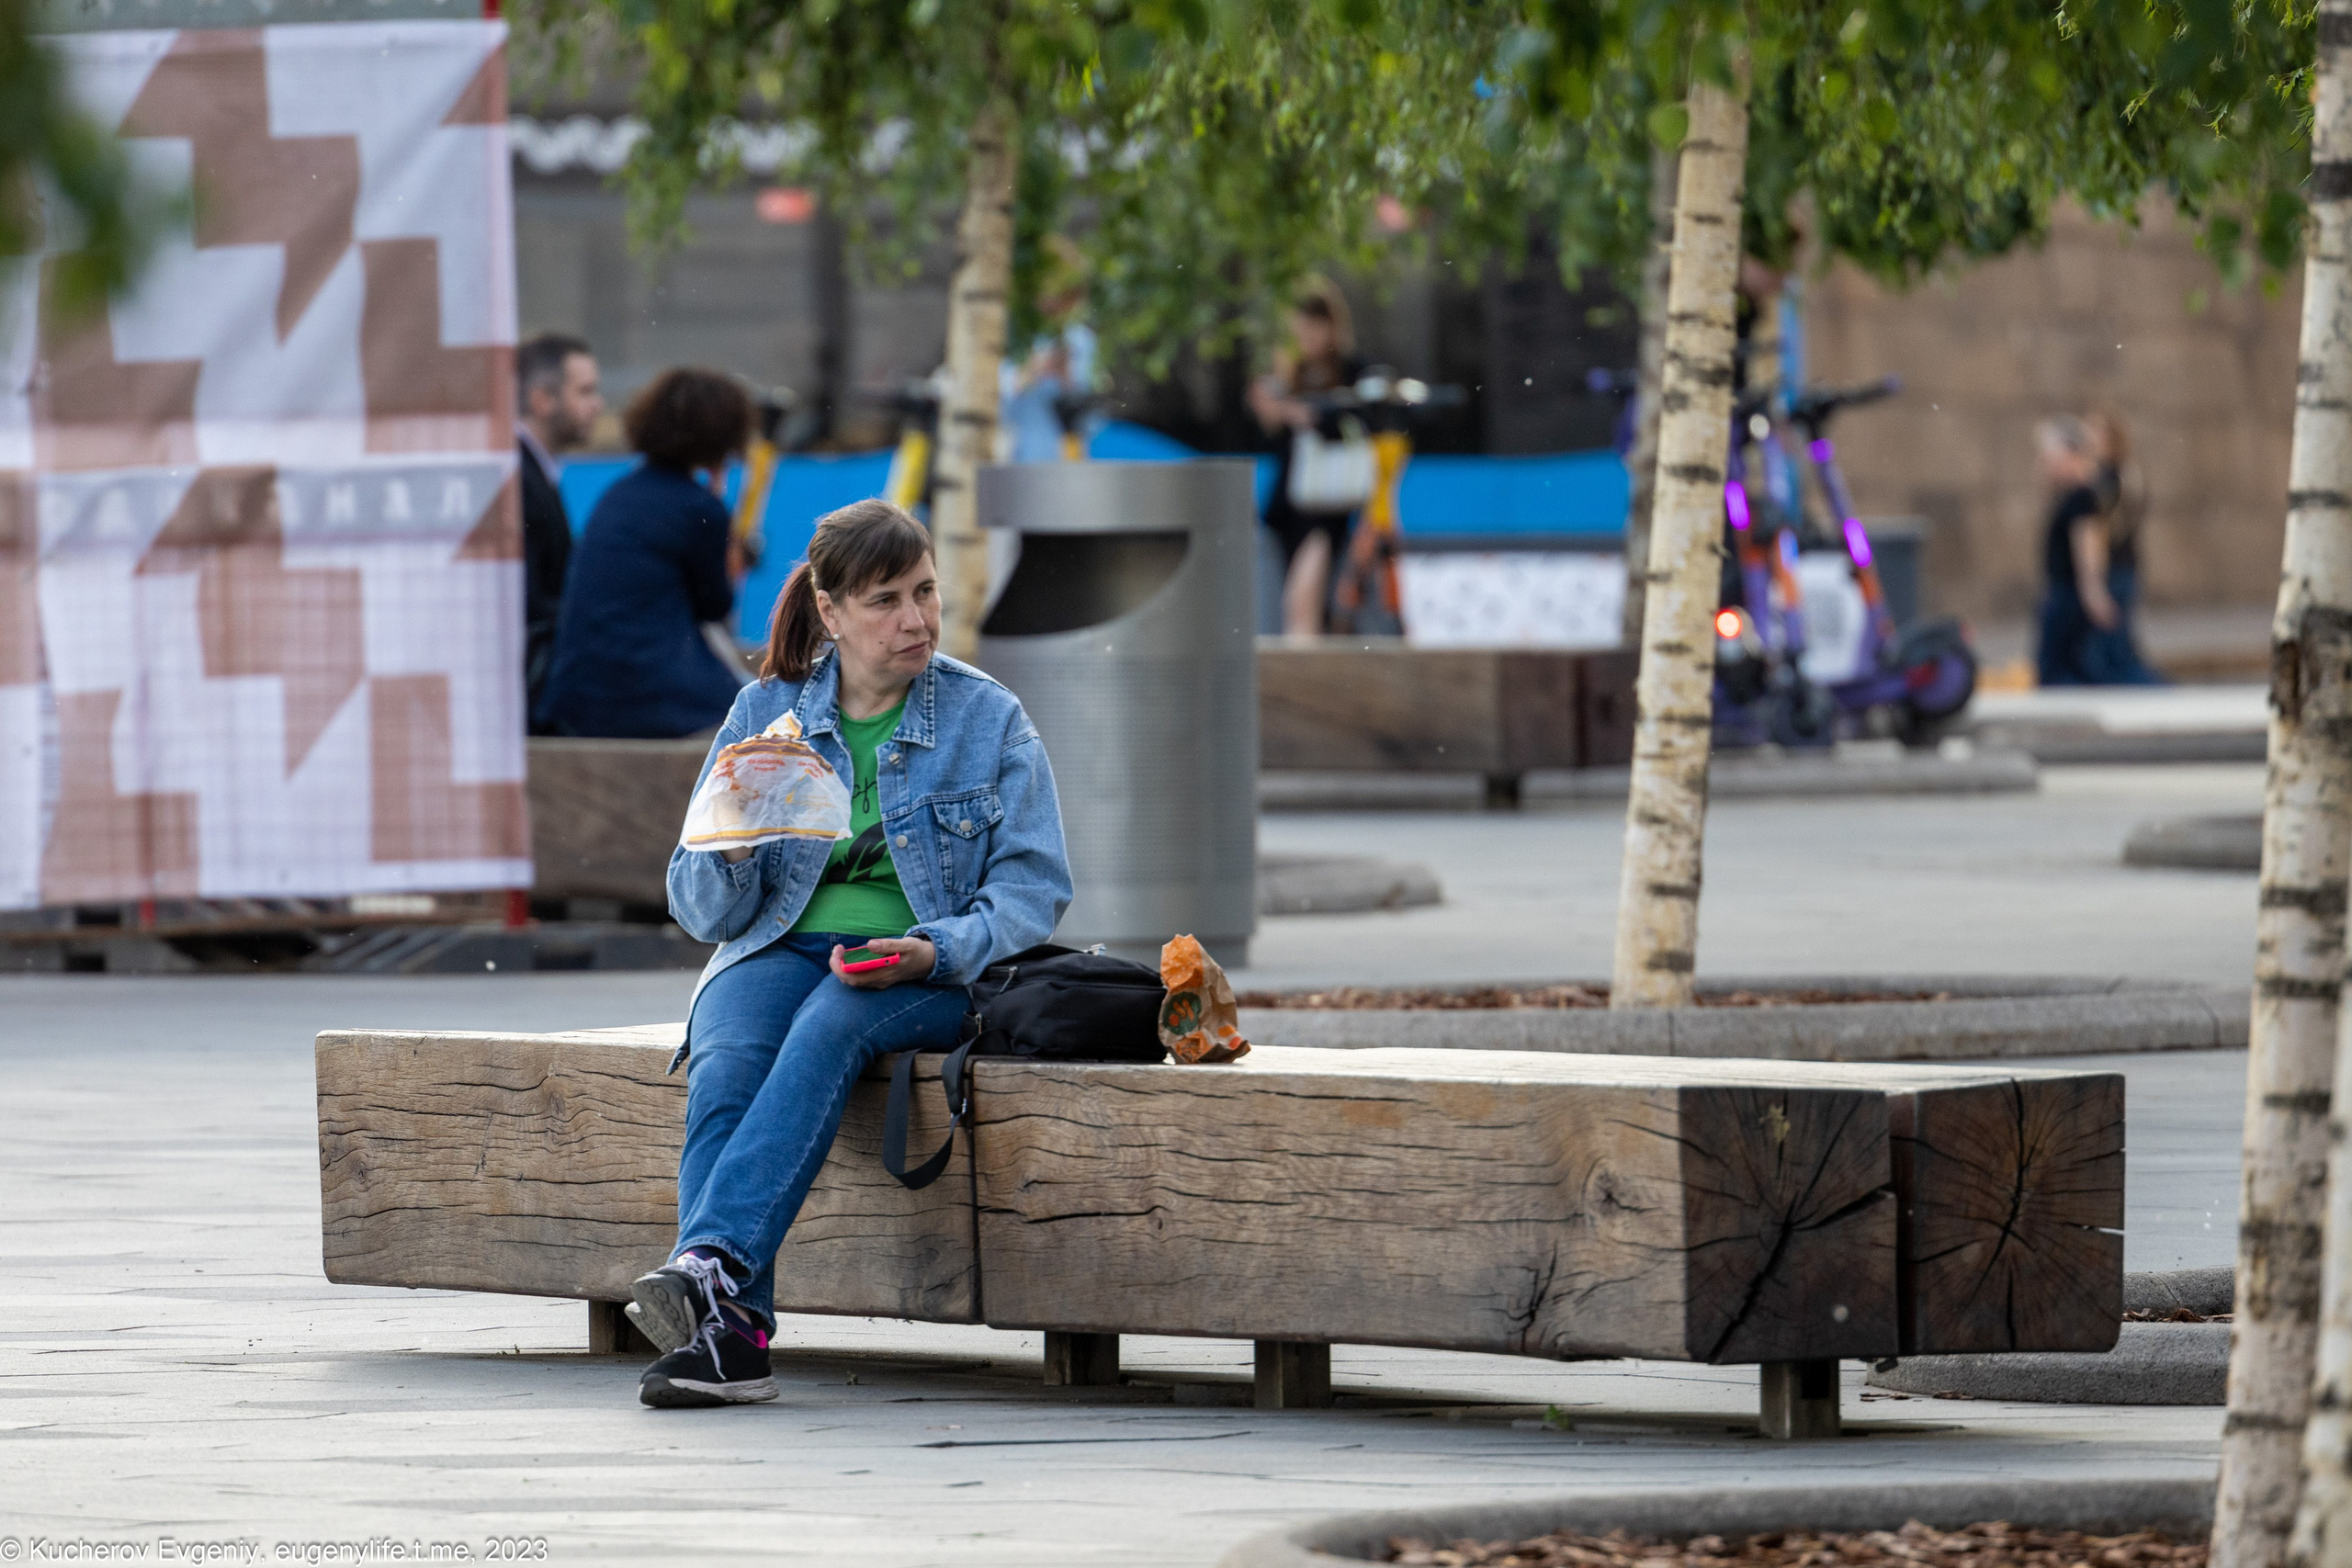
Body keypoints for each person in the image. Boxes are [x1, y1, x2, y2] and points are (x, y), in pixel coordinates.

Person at [628, 499, 1073, 1408]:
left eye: (924, 594)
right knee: (727, 1058)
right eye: (883, 601)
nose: (913, 620)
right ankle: (736, 1338)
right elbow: (701, 908)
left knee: (833, 1016)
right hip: (776, 942)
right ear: (829, 613)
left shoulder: (987, 718)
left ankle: (709, 1271)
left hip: (929, 962)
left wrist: (932, 948)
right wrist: (737, 836)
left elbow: (1033, 888)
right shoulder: (767, 712)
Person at [535, 369, 754, 739]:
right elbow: (716, 605)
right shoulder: (699, 507)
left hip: (578, 694)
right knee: (760, 719)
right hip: (646, 695)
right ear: (725, 436)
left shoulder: (620, 492)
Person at [1248, 280, 1368, 637]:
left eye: (1314, 326)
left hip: (1328, 503)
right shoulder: (1287, 372)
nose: (1306, 336)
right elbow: (1274, 442)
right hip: (1290, 504)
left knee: (1304, 602)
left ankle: (1308, 679)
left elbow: (1354, 426)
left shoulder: (1350, 372)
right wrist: (1270, 412)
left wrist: (1305, 415)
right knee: (1295, 603)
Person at [515, 333, 603, 728]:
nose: (597, 406)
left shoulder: (534, 474)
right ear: (541, 400)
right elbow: (527, 599)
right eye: (584, 391)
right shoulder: (517, 478)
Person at [2085, 407, 2165, 684]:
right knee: (2115, 641)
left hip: (2115, 565)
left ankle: (2151, 689)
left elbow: (2107, 526)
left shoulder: (2108, 477)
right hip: (2123, 563)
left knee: (2113, 645)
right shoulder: (2126, 474)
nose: (2090, 438)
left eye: (2095, 432)